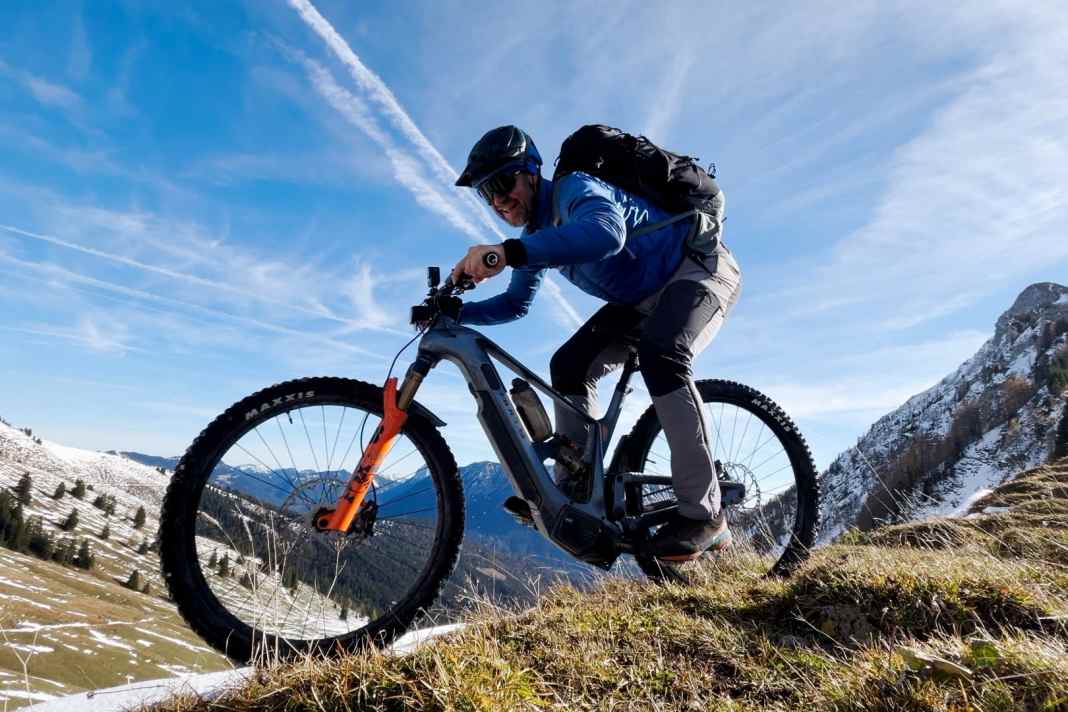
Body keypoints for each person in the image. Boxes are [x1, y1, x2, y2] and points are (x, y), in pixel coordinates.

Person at [451, 125, 742, 562]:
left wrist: (505, 253)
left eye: (501, 183)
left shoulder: (574, 189)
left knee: (662, 355)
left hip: (699, 269)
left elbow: (608, 234)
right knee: (569, 365)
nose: (497, 200)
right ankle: (572, 494)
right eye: (484, 193)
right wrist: (456, 312)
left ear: (531, 172)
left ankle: (705, 516)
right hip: (642, 299)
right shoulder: (535, 235)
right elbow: (515, 305)